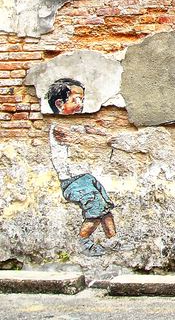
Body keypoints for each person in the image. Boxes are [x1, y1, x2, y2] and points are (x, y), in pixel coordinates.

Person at [45, 79, 118, 257]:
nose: (81, 104)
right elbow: (82, 138)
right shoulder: (58, 127)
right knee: (95, 209)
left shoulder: (72, 124)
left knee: (105, 207)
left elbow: (88, 132)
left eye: (82, 100)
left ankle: (114, 240)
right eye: (76, 100)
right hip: (73, 183)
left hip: (84, 178)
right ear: (60, 104)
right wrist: (101, 138)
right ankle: (83, 242)